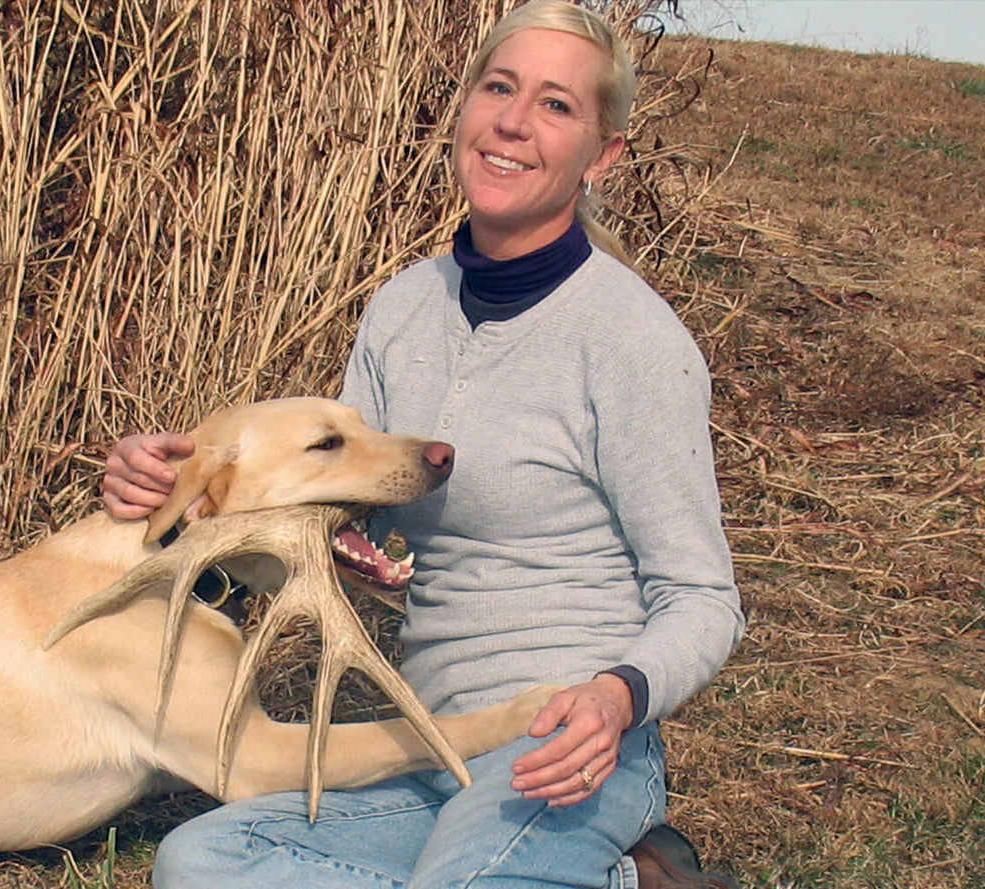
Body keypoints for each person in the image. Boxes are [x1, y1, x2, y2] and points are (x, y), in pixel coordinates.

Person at [99, 2, 747, 887]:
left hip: (568, 750)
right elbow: (319, 500)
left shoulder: (632, 340)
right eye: (499, 87)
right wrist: (178, 492)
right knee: (202, 857)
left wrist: (616, 695)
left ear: (603, 157)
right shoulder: (403, 310)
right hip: (437, 748)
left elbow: (705, 597)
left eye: (556, 106)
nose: (513, 121)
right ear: (465, 109)